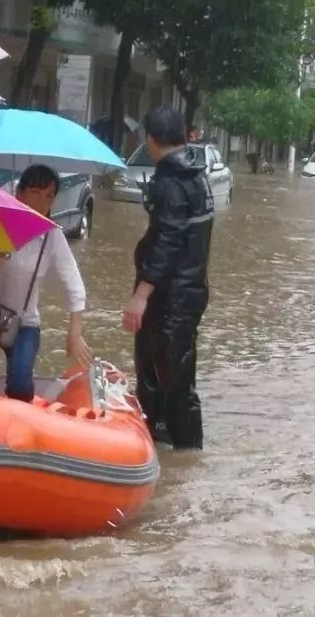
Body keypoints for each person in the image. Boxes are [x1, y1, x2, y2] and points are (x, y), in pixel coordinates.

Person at [122, 107, 213, 450]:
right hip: (186, 292)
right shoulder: (196, 174)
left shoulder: (170, 182)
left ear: (150, 140)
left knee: (174, 382)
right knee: (155, 375)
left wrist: (141, 295)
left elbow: (167, 243)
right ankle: (159, 447)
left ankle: (186, 451)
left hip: (170, 298)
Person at [0, 165, 90, 401]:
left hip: (23, 322)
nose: (42, 201)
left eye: (49, 196)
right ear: (19, 192)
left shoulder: (52, 236)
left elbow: (73, 283)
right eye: (35, 192)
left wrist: (74, 332)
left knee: (21, 385)